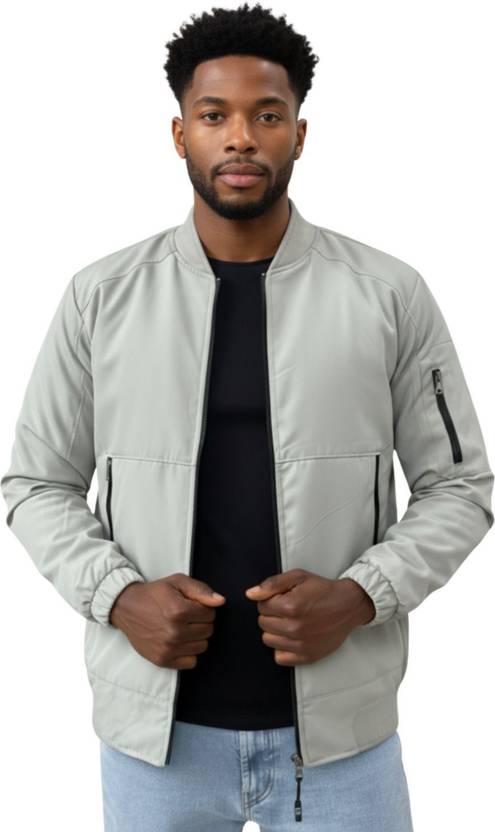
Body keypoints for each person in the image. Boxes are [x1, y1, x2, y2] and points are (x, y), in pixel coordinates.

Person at [1, 3, 493, 830]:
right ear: (179, 134)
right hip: (157, 748)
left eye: (266, 116)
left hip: (342, 745)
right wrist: (118, 597)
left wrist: (361, 596)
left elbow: (461, 487)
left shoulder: (387, 295)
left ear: (299, 133)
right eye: (213, 116)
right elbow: (35, 483)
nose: (240, 138)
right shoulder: (101, 298)